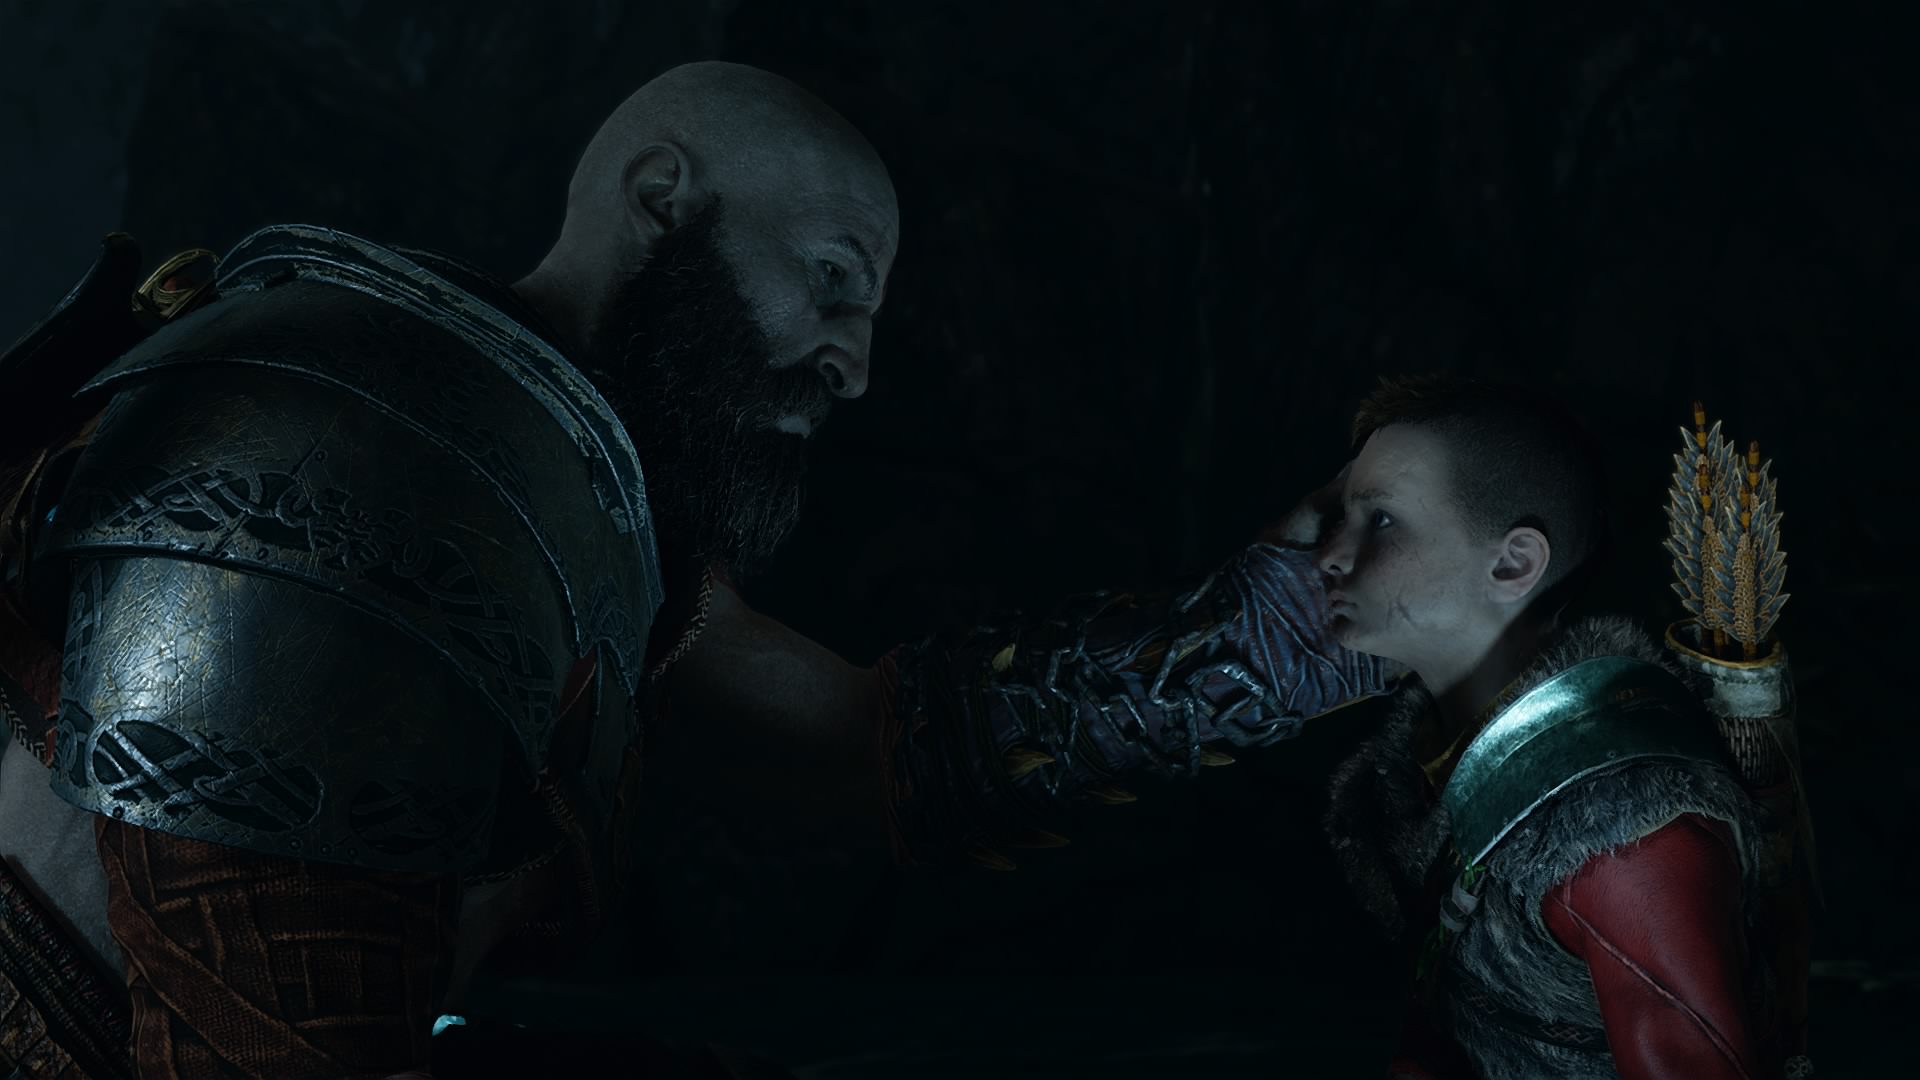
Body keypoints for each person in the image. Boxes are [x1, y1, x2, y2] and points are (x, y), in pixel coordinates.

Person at [0, 61, 1392, 1079]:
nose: (853, 367)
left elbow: (858, 741)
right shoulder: (345, 468)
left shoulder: (535, 484)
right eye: (833, 279)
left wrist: (1238, 656)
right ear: (664, 198)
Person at [1314, 372, 1808, 1079]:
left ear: (1513, 563)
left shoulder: (1620, 823)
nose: (1331, 552)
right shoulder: (1415, 776)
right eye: (1343, 518)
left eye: (1382, 520)